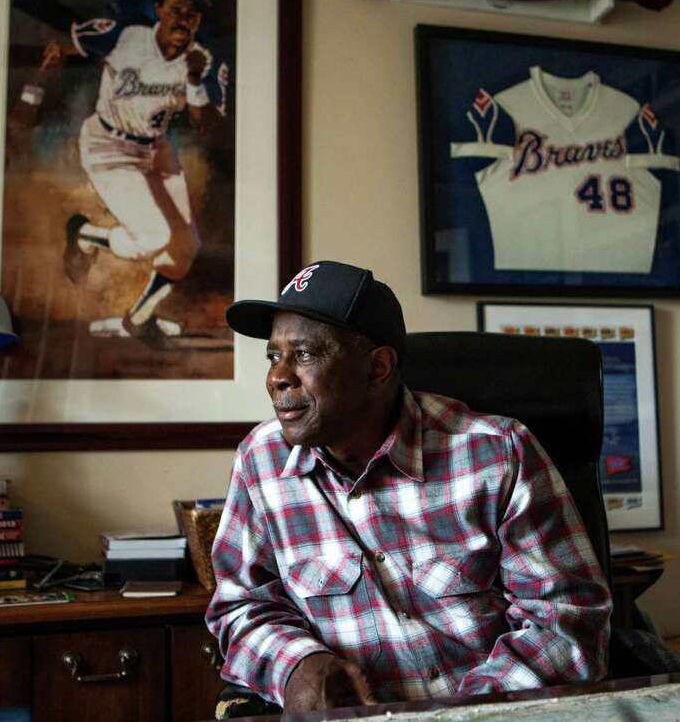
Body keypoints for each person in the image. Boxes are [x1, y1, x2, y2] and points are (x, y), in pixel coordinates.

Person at [206, 261, 612, 713]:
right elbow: (240, 607)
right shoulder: (261, 462)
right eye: (273, 356)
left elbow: (567, 623)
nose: (277, 377)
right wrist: (298, 665)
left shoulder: (497, 454)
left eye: (303, 355)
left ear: (378, 368)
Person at [15, 0, 227, 348]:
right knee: (154, 237)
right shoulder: (126, 36)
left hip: (155, 148)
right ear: (159, 9)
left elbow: (207, 125)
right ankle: (84, 234)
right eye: (176, 8)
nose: (183, 19)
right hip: (108, 143)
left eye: (192, 14)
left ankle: (139, 318)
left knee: (185, 248)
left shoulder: (203, 60)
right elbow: (66, 43)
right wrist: (34, 93)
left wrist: (193, 79)